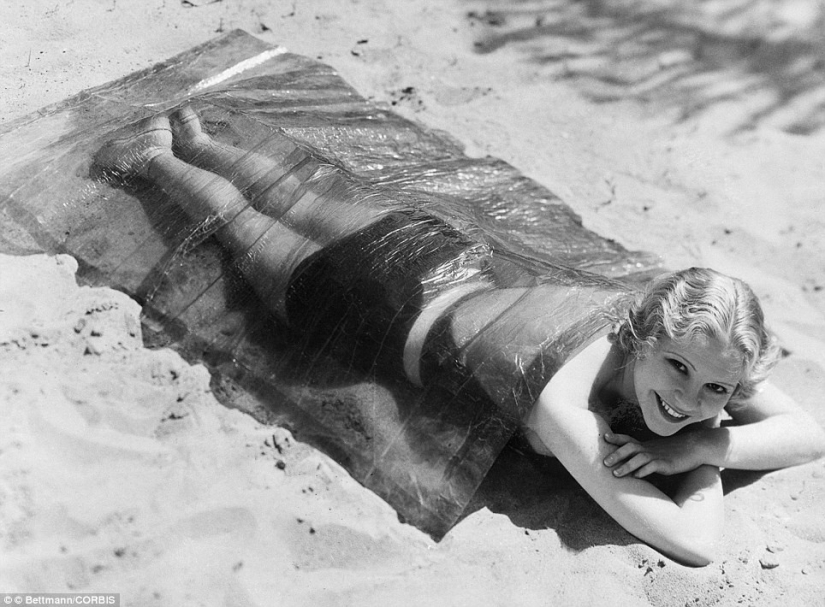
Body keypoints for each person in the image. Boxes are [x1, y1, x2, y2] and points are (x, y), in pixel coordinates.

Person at [94, 106, 825, 566]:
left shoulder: (688, 334)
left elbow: (810, 432)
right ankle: (161, 156)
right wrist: (702, 452)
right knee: (243, 222)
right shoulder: (562, 402)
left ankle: (193, 132)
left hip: (435, 253)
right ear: (640, 334)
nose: (693, 397)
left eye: (716, 388)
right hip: (364, 302)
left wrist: (701, 431)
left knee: (296, 199)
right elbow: (693, 543)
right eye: (678, 371)